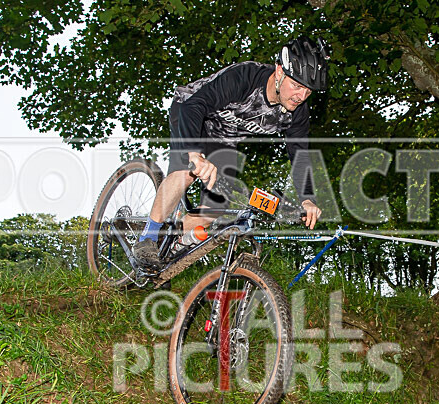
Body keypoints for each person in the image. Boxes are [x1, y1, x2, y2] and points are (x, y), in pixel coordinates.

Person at [133, 36, 330, 270]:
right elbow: (194, 106)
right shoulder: (245, 77)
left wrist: (307, 198)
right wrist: (194, 153)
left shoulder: (297, 113)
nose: (300, 96)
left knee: (216, 206)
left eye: (308, 91)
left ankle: (173, 242)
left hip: (222, 139)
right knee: (188, 170)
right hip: (191, 112)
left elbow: (300, 155)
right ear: (279, 72)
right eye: (296, 86)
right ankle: (147, 238)